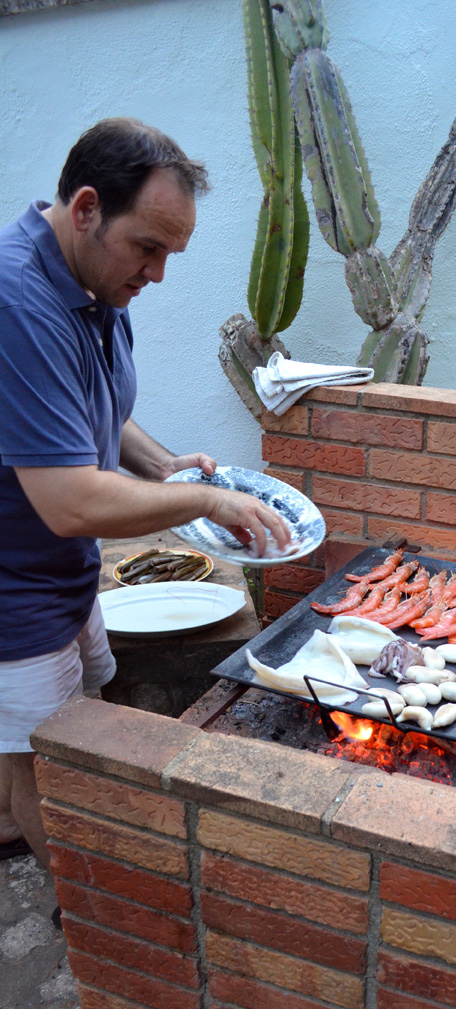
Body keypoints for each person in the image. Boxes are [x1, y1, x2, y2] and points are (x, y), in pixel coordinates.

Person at [0, 117, 291, 870]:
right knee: (46, 767)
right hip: (12, 594)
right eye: (149, 247)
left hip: (64, 575)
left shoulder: (93, 284)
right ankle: (82, 911)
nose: (157, 274)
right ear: (87, 207)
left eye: (172, 253)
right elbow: (67, 500)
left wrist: (163, 468)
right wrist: (207, 502)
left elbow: (94, 410)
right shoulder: (18, 307)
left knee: (69, 732)